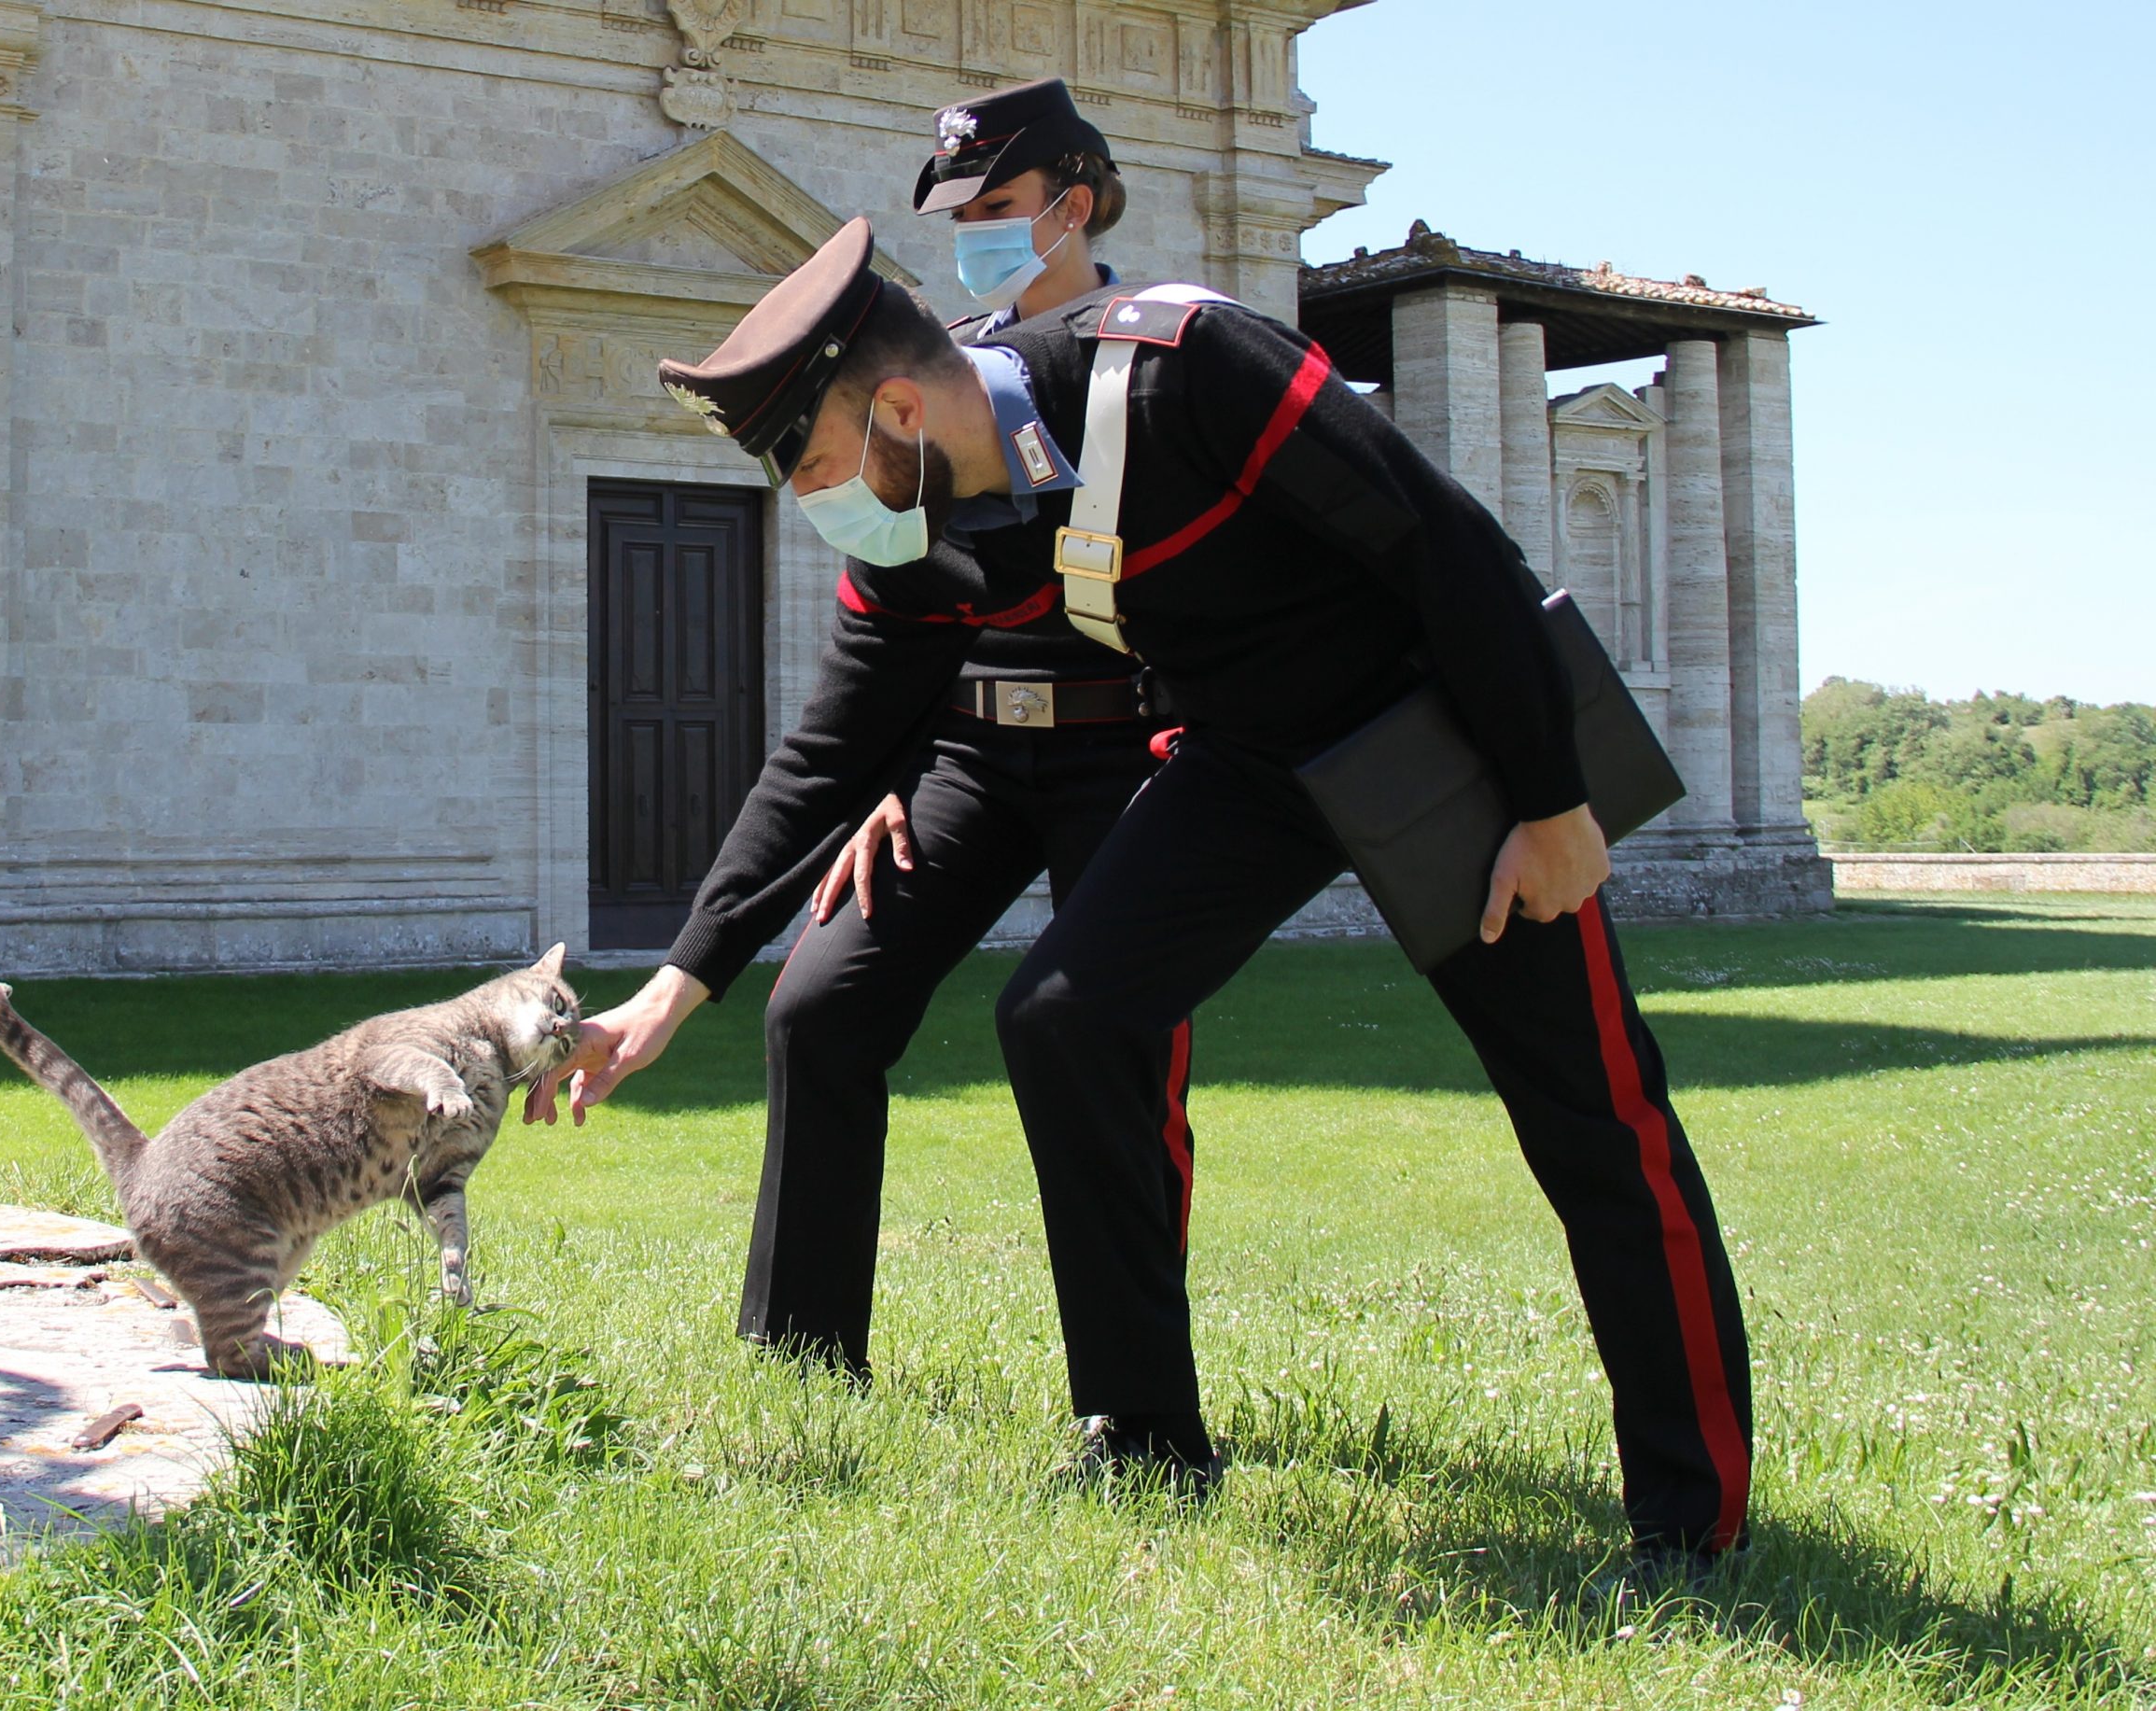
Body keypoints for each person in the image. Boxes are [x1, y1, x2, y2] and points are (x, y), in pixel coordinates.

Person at [571, 216, 1753, 1577]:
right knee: (1063, 1017)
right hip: (1246, 762)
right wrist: (678, 983)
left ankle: (1695, 1519)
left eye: (821, 467)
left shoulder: (1190, 364)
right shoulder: (929, 528)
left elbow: (1452, 548)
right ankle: (1144, 1439)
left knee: (1590, 1109)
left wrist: (1551, 805)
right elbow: (830, 748)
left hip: (1439, 734)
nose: (821, 503)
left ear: (899, 408)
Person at [731, 79, 1193, 1383]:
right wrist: (884, 774)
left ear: (1075, 204)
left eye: (998, 208)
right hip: (967, 755)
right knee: (820, 1007)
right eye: (960, 217)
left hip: (1122, 748)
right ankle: (803, 1359)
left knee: (1108, 1048)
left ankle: (1134, 1392)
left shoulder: (1150, 362)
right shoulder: (937, 372)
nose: (974, 237)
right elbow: (901, 606)